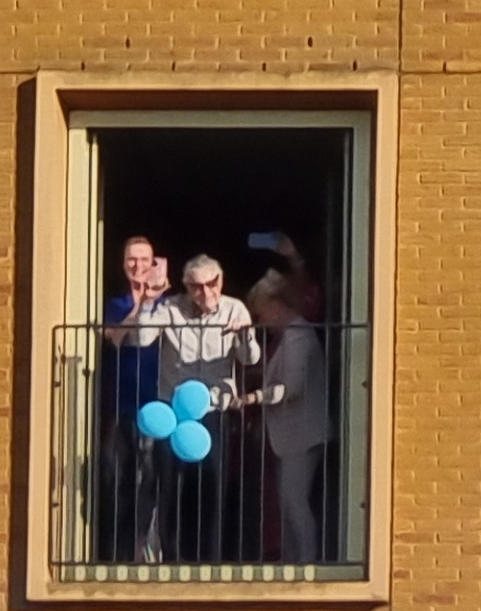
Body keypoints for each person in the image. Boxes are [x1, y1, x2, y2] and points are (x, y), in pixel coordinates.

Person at [128, 253, 255, 563]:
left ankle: (209, 560)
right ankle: (172, 559)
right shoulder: (171, 308)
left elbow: (250, 358)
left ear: (220, 282)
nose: (205, 292)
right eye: (197, 286)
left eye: (211, 284)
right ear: (186, 286)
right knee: (169, 486)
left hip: (213, 411)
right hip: (173, 413)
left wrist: (244, 333)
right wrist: (147, 301)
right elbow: (142, 338)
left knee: (213, 488)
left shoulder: (234, 308)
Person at [237, 268, 332, 566]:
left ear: (277, 306)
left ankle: (305, 561)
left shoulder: (300, 338)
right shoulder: (291, 336)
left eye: (262, 312)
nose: (262, 320)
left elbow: (290, 389)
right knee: (287, 501)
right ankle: (292, 560)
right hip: (292, 435)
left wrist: (254, 397)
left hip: (303, 434)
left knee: (295, 501)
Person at [93, 234, 166, 563]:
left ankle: (144, 553)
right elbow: (114, 338)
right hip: (121, 405)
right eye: (131, 260)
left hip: (159, 407)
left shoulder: (170, 305)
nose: (138, 266)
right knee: (117, 482)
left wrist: (155, 301)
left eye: (144, 259)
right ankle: (117, 556)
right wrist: (142, 304)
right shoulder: (114, 304)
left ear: (155, 264)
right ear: (123, 265)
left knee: (150, 484)